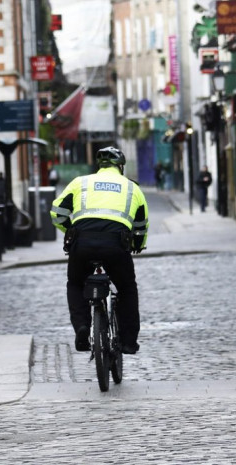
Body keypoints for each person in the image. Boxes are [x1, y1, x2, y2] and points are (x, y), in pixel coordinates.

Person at [51, 146, 148, 355]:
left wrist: (70, 231)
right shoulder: (132, 188)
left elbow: (56, 212)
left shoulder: (80, 183)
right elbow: (140, 227)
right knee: (127, 289)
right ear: (120, 167)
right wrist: (137, 246)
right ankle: (129, 342)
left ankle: (82, 328)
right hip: (116, 245)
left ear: (99, 166)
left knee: (76, 284)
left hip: (82, 243)